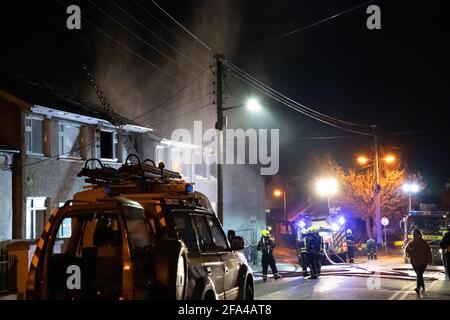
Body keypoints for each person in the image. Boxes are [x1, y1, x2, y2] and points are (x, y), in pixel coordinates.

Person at [405, 228, 433, 294]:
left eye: (416, 234)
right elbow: (407, 250)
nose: (414, 235)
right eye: (413, 234)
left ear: (419, 235)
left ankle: (418, 288)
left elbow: (428, 251)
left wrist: (429, 260)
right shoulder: (411, 243)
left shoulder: (423, 243)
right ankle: (423, 286)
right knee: (419, 275)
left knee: (419, 274)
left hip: (423, 262)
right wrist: (408, 251)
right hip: (414, 262)